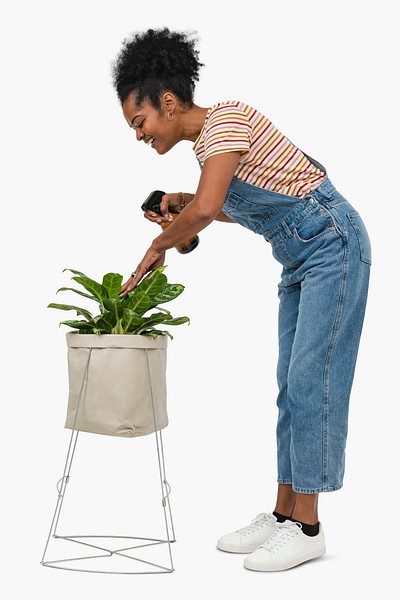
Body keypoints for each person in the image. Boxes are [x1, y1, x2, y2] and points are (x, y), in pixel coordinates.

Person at [112, 27, 371, 572]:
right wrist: (181, 207)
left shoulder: (225, 119)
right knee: (288, 386)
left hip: (334, 246)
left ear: (167, 101)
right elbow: (238, 208)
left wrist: (161, 242)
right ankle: (282, 515)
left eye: (139, 122)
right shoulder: (212, 153)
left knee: (311, 381)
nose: (138, 135)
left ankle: (308, 526)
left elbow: (207, 208)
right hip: (301, 258)